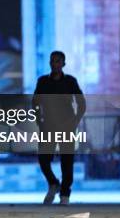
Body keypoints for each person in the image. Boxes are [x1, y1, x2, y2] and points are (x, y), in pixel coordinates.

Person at [32, 51, 86, 205]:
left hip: (66, 126)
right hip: (48, 126)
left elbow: (81, 103)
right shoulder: (42, 81)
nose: (55, 64)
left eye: (58, 61)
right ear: (50, 63)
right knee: (43, 159)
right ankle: (53, 183)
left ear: (63, 64)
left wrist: (75, 121)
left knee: (67, 161)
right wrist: (38, 119)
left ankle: (65, 194)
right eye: (53, 61)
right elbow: (35, 102)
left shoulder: (70, 81)